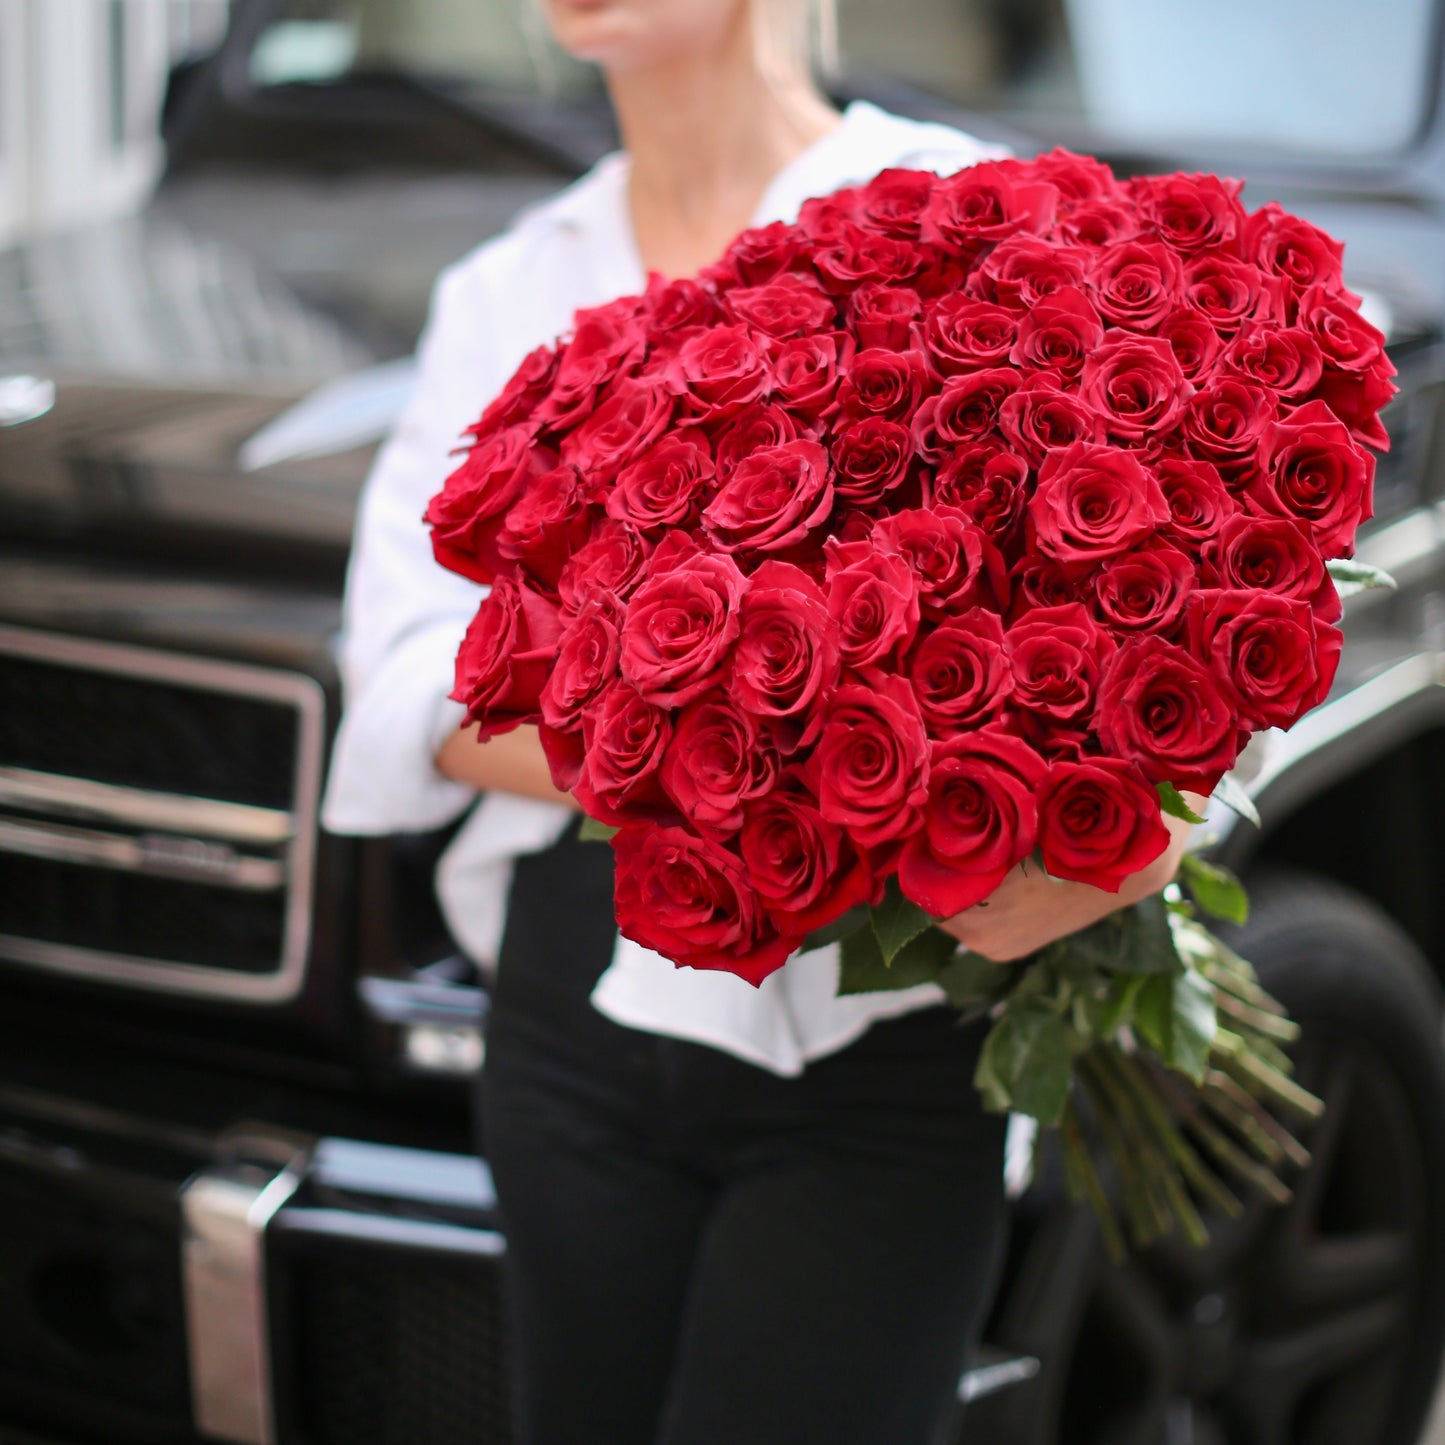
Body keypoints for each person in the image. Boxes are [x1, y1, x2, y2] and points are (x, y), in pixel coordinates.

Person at [321, 1, 1202, 1440]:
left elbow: (1169, 601)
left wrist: (1141, 829)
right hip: (567, 1016)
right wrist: (748, 746)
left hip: (878, 1033)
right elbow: (407, 679)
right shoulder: (503, 285)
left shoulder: (971, 217)